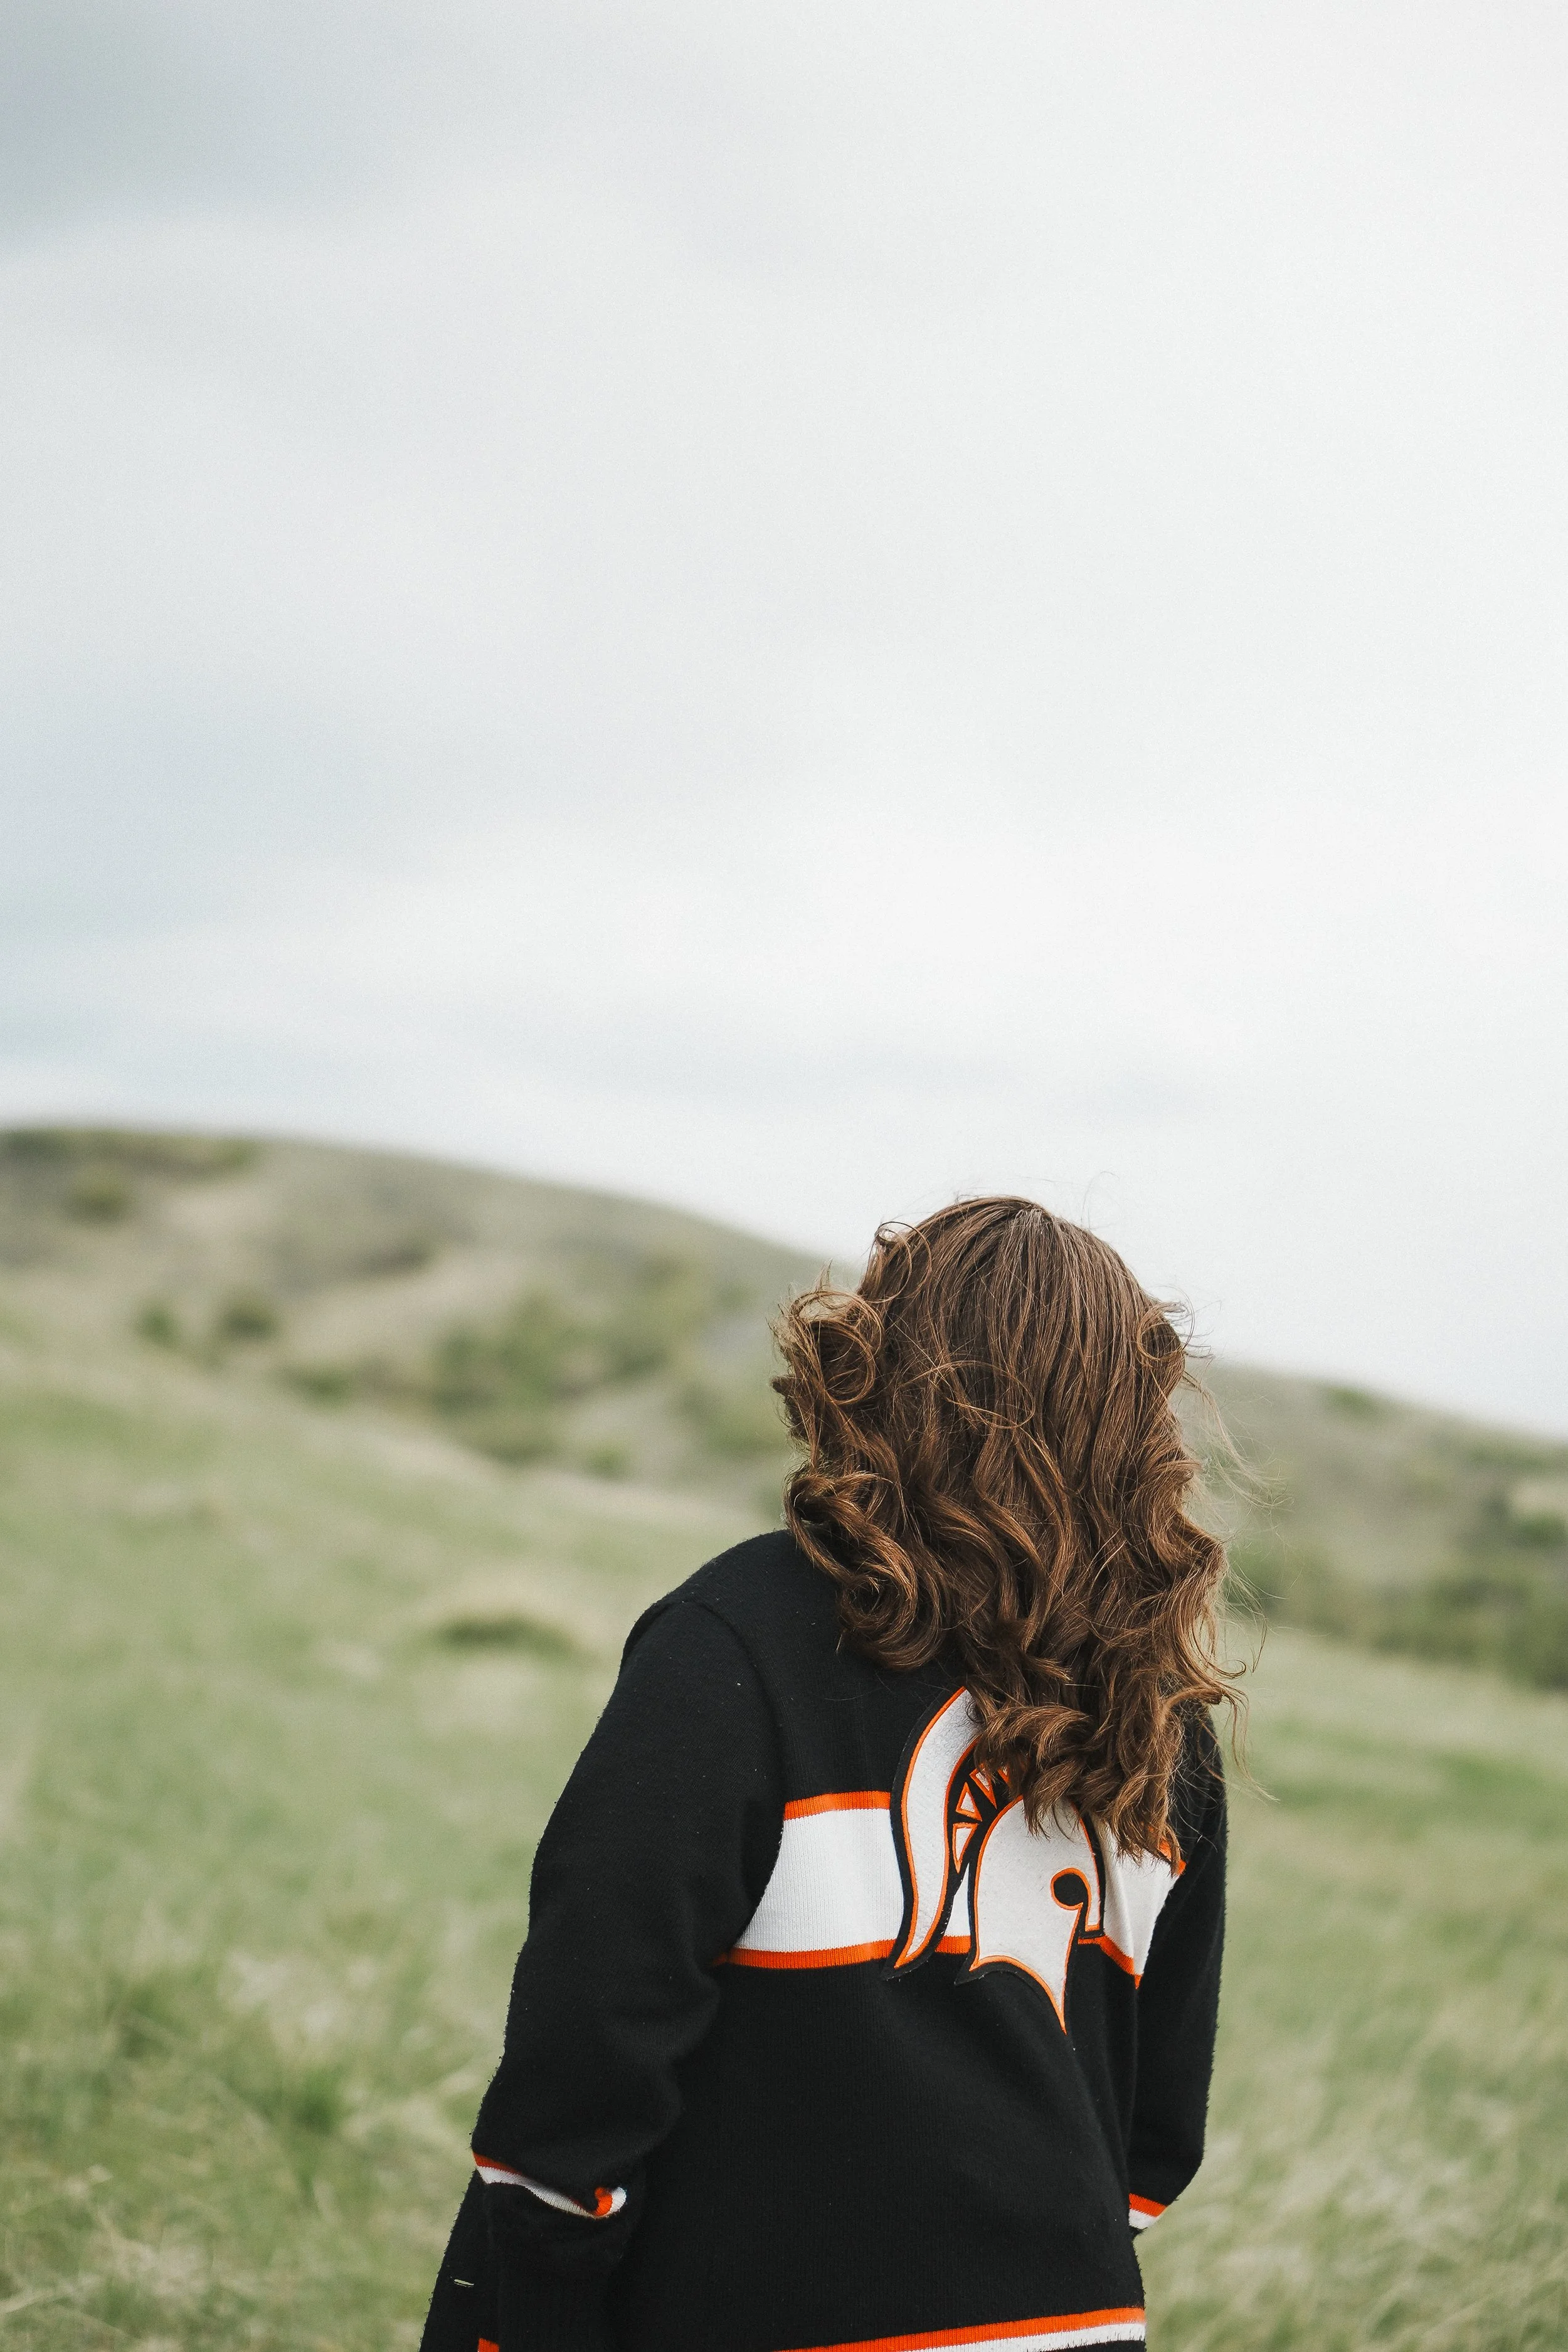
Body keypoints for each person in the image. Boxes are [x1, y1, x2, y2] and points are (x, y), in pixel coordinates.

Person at [420, 1197, 1234, 2352]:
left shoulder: (736, 1635)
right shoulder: (1166, 1723)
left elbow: (587, 2040)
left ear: (870, 1370)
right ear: (1132, 1426)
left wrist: (540, 2283)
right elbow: (1154, 2138)